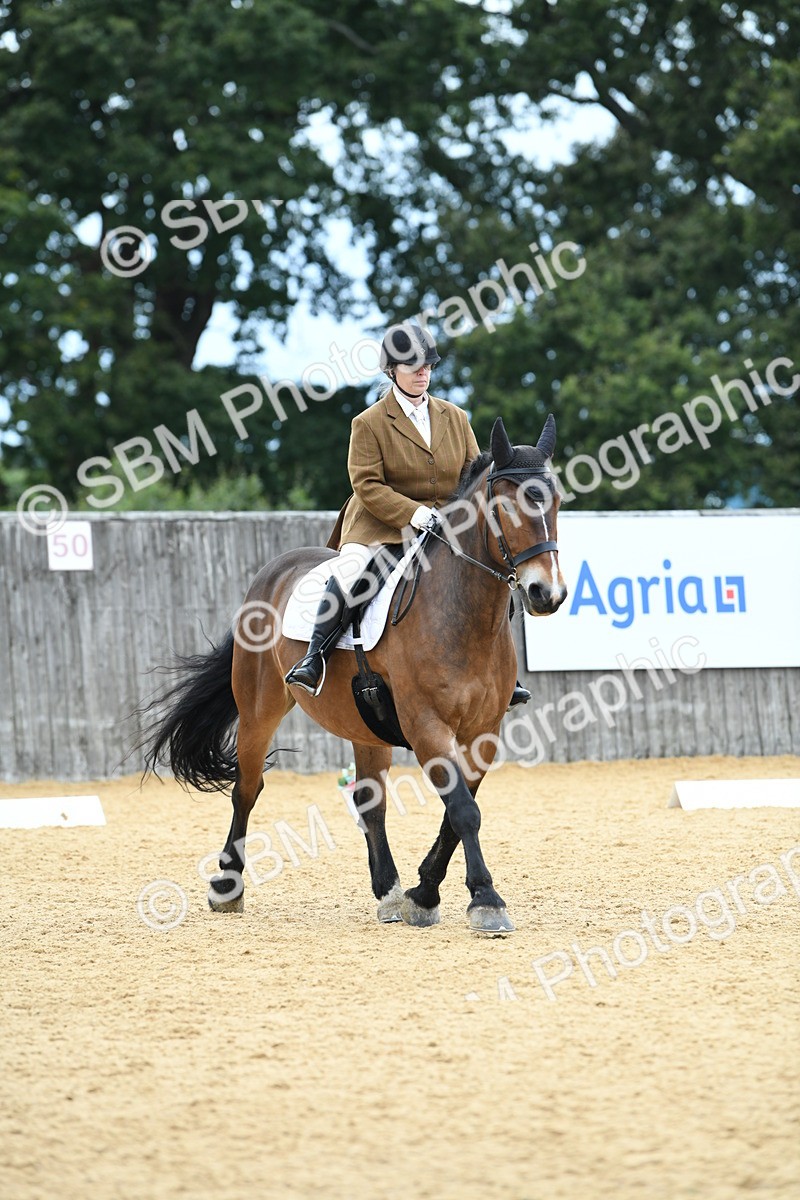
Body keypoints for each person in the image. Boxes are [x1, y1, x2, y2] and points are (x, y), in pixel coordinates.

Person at [284, 322, 531, 708]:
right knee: (352, 574)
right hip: (380, 527)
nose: (422, 373)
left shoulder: (456, 417)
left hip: (447, 527)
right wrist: (415, 514)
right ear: (391, 371)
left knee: (493, 578)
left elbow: (474, 473)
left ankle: (504, 676)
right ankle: (313, 658)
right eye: (413, 366)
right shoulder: (369, 423)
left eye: (428, 366)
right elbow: (367, 485)